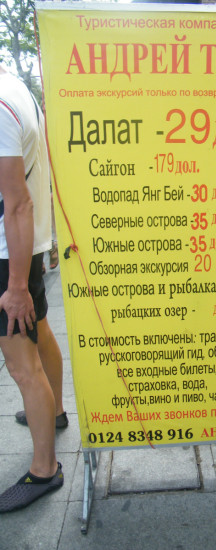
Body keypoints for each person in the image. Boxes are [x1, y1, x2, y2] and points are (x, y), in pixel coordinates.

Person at [0, 65, 66, 512]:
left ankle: (45, 470)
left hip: (9, 256)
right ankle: (55, 412)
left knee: (22, 365)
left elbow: (18, 203)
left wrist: (17, 286)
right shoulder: (15, 86)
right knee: (38, 331)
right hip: (26, 248)